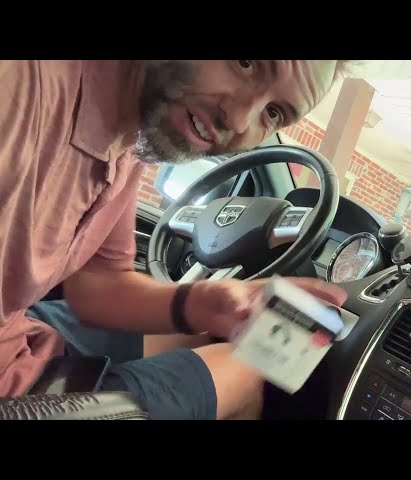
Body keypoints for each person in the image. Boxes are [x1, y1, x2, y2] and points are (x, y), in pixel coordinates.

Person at [0, 60, 353, 420]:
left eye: (273, 113)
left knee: (200, 336)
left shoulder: (127, 131)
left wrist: (204, 304)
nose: (239, 120)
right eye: (246, 63)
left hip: (20, 337)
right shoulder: (23, 86)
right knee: (245, 373)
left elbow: (98, 283)